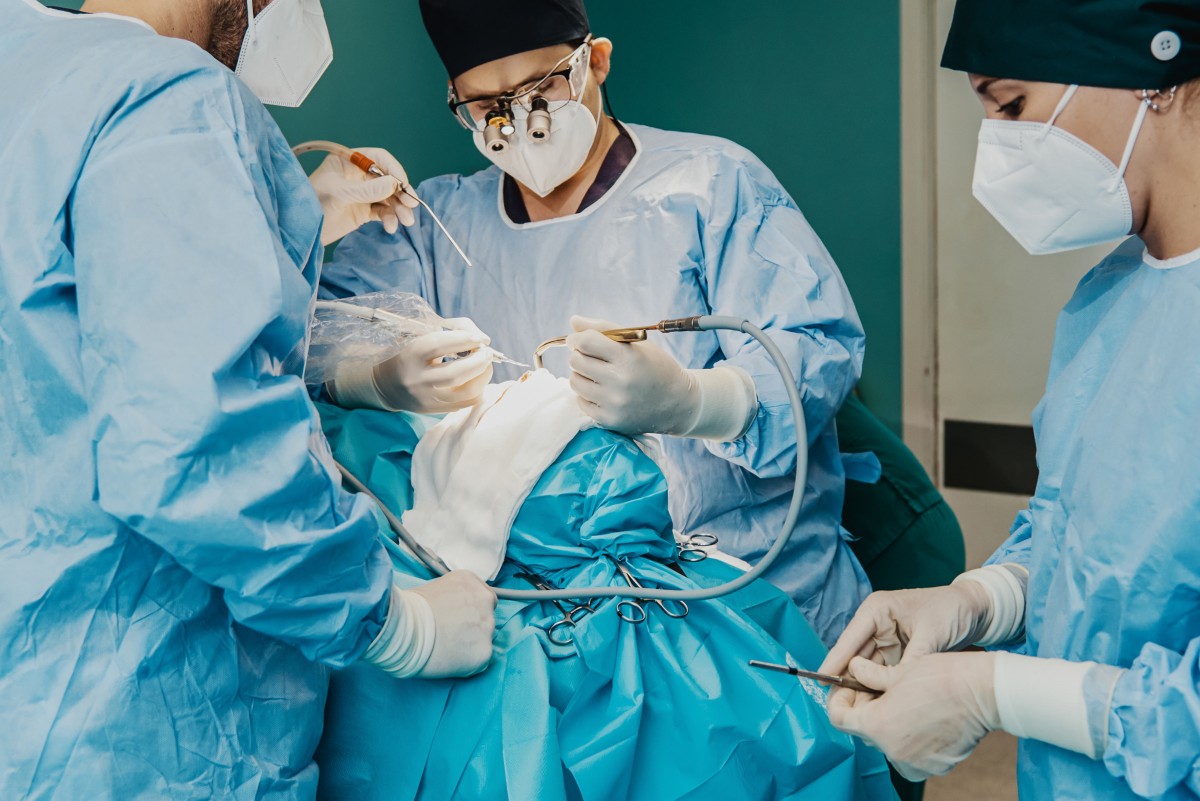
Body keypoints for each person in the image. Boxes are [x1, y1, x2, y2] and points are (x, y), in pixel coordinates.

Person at [0, 1, 495, 799]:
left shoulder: (22, 63)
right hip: (134, 730)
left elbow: (58, 338)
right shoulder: (166, 96)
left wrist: (284, 215)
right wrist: (396, 624)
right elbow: (193, 437)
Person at [320, 0, 871, 646]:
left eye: (539, 89)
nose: (517, 121)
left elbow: (817, 349)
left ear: (596, 63)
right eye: (487, 106)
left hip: (749, 604)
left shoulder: (712, 187)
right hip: (551, 615)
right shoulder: (433, 228)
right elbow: (295, 341)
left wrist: (696, 402)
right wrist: (373, 378)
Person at [819, 2, 1200, 799]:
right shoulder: (1109, 299)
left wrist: (995, 691)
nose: (1000, 151)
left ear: (1152, 76)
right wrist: (978, 602)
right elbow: (1084, 539)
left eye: (1014, 106)